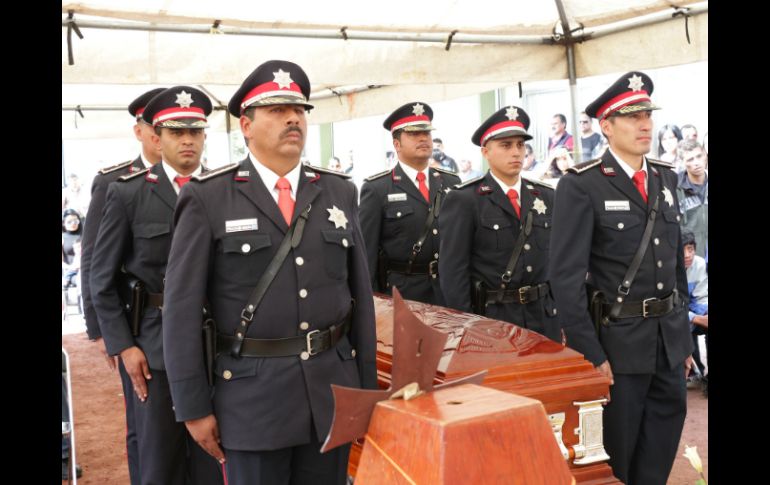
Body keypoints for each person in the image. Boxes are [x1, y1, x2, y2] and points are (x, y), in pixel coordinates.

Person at [161, 60, 377, 485]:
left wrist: (366, 388)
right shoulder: (209, 198)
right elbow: (181, 310)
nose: (293, 118)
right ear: (246, 124)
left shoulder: (339, 191)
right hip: (251, 401)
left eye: (298, 110)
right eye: (277, 110)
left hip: (330, 394)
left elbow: (361, 298)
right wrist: (193, 407)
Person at [549, 71, 693, 485]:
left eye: (647, 114)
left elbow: (673, 263)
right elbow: (565, 275)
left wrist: (681, 338)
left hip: (667, 341)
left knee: (661, 445)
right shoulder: (582, 185)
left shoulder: (665, 176)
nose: (645, 123)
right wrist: (589, 352)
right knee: (620, 453)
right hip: (619, 343)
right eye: (632, 116)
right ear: (607, 126)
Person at [90, 86, 223, 485]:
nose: (187, 140)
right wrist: (123, 345)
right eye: (176, 132)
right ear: (157, 138)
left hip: (217, 343)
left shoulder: (228, 189)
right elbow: (101, 278)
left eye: (195, 132)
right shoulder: (128, 192)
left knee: (214, 454)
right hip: (153, 342)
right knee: (159, 456)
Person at [79, 87, 164, 484]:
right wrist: (106, 333)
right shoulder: (116, 183)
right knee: (142, 426)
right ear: (140, 131)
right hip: (138, 325)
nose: (167, 136)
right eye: (157, 127)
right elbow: (94, 259)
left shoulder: (208, 181)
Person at [439, 105, 561, 342]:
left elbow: (557, 260)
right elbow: (453, 272)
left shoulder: (545, 196)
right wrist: (468, 326)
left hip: (544, 318)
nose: (516, 152)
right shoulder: (465, 199)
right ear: (486, 152)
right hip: (494, 321)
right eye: (506, 145)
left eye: (520, 145)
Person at [359, 102, 461, 305]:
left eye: (427, 133)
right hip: (403, 294)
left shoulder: (451, 182)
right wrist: (373, 305)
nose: (423, 138)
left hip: (447, 292)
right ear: (396, 144)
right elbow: (366, 255)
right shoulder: (378, 188)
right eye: (414, 134)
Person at [682, 231, 708, 394]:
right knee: (680, 326)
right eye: (682, 250)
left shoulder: (699, 265)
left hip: (691, 311)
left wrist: (704, 315)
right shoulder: (666, 266)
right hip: (674, 316)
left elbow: (701, 297)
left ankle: (705, 376)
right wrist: (694, 318)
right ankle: (690, 372)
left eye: (690, 249)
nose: (687, 255)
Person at [676, 139, 708, 258]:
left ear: (705, 154)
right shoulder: (675, 188)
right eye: (690, 159)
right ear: (682, 162)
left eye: (699, 156)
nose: (696, 162)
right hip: (690, 257)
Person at [62, 208, 83, 289]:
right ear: (64, 223)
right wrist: (71, 267)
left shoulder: (84, 235)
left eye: (75, 221)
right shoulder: (62, 238)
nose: (73, 224)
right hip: (70, 271)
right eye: (69, 222)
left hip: (84, 268)